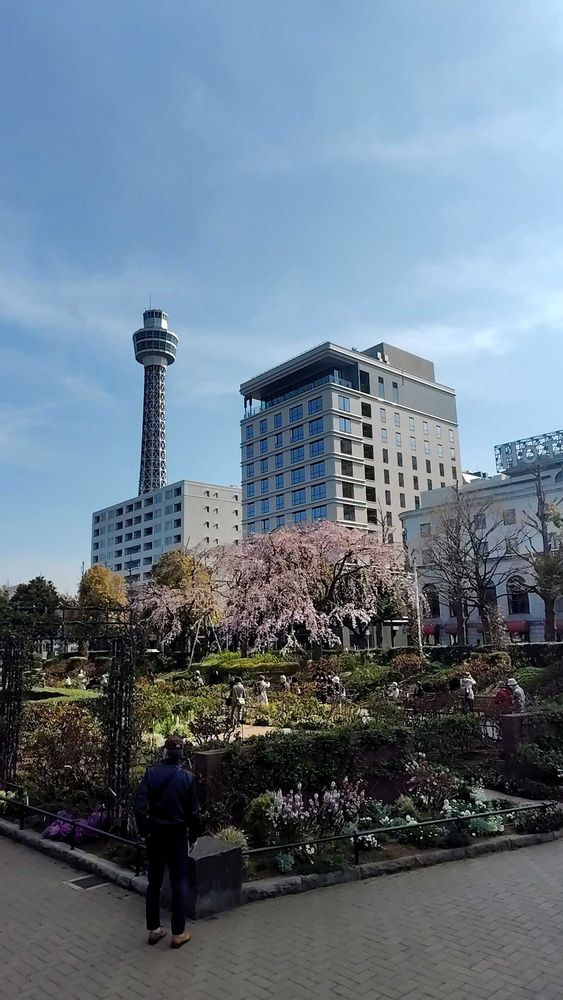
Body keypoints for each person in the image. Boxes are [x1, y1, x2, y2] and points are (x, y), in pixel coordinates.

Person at [133, 736, 200, 950]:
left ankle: (154, 929)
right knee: (179, 880)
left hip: (156, 834)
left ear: (164, 753)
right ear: (181, 756)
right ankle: (178, 933)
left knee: (154, 881)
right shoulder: (188, 778)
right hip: (177, 835)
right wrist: (193, 836)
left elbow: (139, 806)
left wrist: (145, 830)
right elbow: (194, 813)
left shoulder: (151, 774)